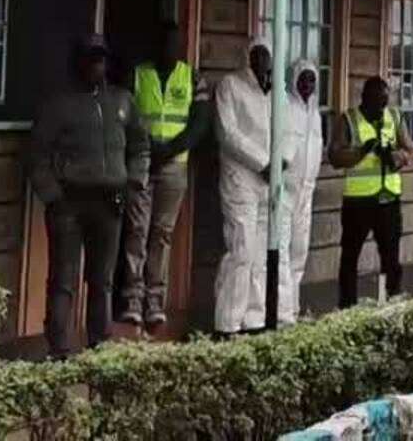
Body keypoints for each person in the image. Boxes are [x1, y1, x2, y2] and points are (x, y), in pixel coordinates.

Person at [28, 33, 149, 359]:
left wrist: (134, 180)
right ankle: (60, 350)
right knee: (63, 280)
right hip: (69, 202)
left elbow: (140, 144)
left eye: (102, 59)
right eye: (91, 58)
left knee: (102, 280)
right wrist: (52, 196)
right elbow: (36, 155)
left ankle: (99, 347)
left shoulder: (123, 101)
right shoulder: (58, 104)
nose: (98, 65)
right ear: (78, 63)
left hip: (109, 203)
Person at [120, 21, 200, 330]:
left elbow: (200, 122)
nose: (170, 48)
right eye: (164, 42)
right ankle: (132, 299)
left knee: (162, 233)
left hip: (175, 163)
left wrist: (171, 149)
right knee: (137, 230)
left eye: (175, 43)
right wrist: (149, 148)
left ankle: (155, 301)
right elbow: (125, 117)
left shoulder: (192, 77)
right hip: (142, 162)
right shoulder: (137, 75)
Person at [328, 75, 413, 307]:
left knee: (391, 258)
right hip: (358, 201)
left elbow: (409, 150)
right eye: (377, 102)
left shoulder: (394, 116)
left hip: (389, 199)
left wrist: (393, 156)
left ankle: (392, 303)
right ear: (364, 98)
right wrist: (361, 152)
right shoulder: (348, 119)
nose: (382, 107)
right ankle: (347, 307)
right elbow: (334, 156)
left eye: (385, 101)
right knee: (350, 257)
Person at [214, 37, 274, 336]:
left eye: (267, 55)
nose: (263, 61)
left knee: (261, 254)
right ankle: (227, 323)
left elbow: (284, 132)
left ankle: (254, 318)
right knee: (241, 249)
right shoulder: (230, 85)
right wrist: (263, 162)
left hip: (266, 182)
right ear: (248, 57)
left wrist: (278, 163)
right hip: (240, 179)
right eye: (258, 54)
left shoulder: (272, 94)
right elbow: (228, 133)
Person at [277, 58, 326, 321]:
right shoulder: (285, 107)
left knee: (299, 252)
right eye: (303, 79)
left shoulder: (315, 114)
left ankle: (293, 308)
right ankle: (282, 312)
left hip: (306, 193)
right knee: (282, 252)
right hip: (286, 191)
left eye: (311, 80)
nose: (307, 84)